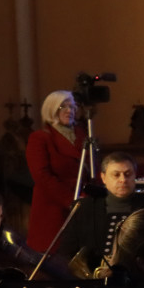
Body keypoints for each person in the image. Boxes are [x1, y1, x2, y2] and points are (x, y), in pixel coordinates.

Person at [60, 151, 144, 276]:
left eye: (128, 174)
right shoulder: (83, 207)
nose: (123, 180)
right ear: (103, 178)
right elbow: (67, 250)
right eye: (116, 175)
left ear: (135, 175)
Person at [26, 90, 85, 252]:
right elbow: (41, 175)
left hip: (83, 202)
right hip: (54, 206)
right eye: (63, 107)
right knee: (55, 256)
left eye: (72, 106)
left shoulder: (83, 135)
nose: (69, 111)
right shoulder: (41, 138)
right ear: (51, 110)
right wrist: (70, 199)